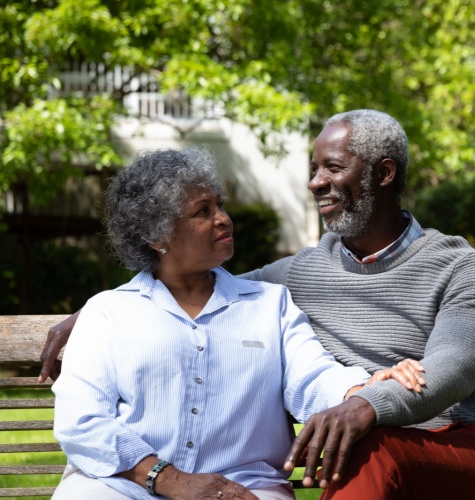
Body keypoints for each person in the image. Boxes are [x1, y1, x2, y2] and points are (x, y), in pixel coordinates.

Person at [41, 110, 475, 499]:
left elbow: (453, 370)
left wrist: (365, 404)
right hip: (364, 441)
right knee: (364, 447)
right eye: (314, 169)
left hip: (460, 443)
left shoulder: (459, 266)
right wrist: (95, 313)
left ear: (384, 173)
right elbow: (204, 291)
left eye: (333, 168)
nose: (316, 182)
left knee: (366, 446)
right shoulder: (302, 272)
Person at [49, 148, 422, 500]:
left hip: (243, 488)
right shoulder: (108, 313)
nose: (223, 219)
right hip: (125, 486)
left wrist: (362, 387)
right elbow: (83, 420)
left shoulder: (269, 304)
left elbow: (312, 378)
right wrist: (170, 480)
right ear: (157, 236)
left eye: (220, 206)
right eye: (202, 211)